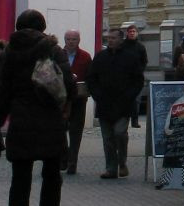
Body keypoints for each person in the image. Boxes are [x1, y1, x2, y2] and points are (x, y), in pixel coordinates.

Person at [0, 9, 75, 206]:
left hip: (22, 123)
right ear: (42, 26)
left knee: (20, 184)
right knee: (51, 181)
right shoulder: (53, 50)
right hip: (50, 121)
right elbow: (68, 84)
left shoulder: (11, 53)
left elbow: (4, 90)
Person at [89, 25, 144, 178]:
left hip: (123, 104)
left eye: (113, 38)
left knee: (120, 133)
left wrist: (130, 95)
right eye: (108, 38)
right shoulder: (100, 57)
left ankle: (122, 162)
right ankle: (111, 168)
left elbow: (138, 80)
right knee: (107, 139)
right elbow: (91, 78)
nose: (110, 41)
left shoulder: (130, 57)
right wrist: (97, 94)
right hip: (104, 103)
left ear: (121, 39)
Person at [60, 28, 93, 175]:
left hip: (79, 99)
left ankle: (73, 162)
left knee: (76, 131)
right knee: (59, 130)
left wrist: (87, 89)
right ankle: (64, 157)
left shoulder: (85, 56)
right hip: (61, 99)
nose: (71, 42)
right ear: (64, 40)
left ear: (78, 40)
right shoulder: (58, 55)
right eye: (68, 39)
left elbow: (90, 76)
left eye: (73, 39)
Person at [122, 19, 148, 125]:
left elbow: (144, 61)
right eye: (130, 31)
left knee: (136, 99)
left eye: (134, 31)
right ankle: (125, 119)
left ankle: (135, 120)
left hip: (137, 78)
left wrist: (139, 70)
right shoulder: (122, 46)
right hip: (124, 78)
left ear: (137, 33)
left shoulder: (140, 47)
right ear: (127, 33)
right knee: (125, 99)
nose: (132, 33)